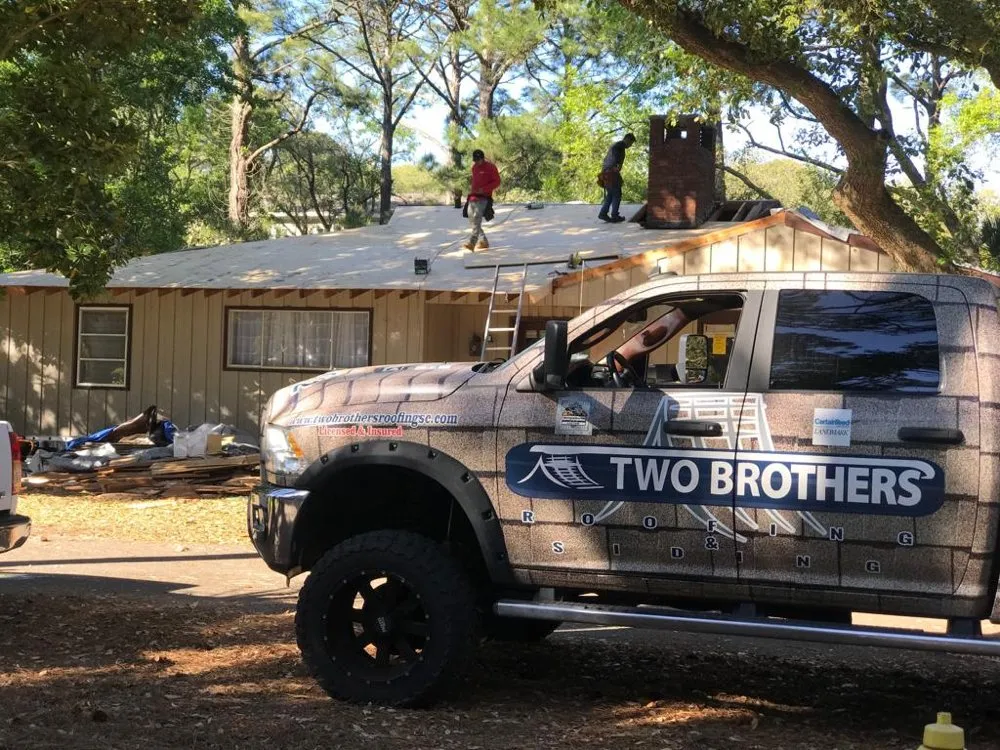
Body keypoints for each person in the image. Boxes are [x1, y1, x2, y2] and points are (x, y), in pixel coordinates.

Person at [463, 149, 501, 250]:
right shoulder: (474, 167)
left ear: (482, 158)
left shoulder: (490, 167)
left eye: (478, 160)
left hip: (484, 198)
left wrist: (484, 189)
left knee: (476, 218)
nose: (477, 162)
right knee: (472, 220)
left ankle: (472, 243)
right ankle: (484, 241)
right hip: (473, 197)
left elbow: (497, 182)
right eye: (475, 160)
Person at [597, 132, 636, 223]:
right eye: (631, 143)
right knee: (617, 193)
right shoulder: (619, 146)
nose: (630, 146)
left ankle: (603, 213)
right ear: (627, 139)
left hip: (606, 172)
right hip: (611, 172)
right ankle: (614, 215)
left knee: (611, 194)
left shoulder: (617, 145)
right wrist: (616, 165)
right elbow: (615, 154)